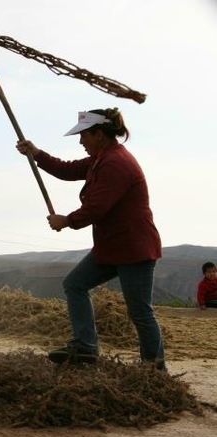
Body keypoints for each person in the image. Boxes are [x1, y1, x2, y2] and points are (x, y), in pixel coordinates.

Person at [16, 108, 166, 370]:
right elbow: (67, 169)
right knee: (75, 284)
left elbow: (97, 208)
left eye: (83, 135)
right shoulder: (100, 159)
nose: (80, 141)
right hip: (111, 247)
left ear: (99, 134)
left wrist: (66, 221)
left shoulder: (116, 163)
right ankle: (86, 347)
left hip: (134, 248)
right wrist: (36, 153)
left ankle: (155, 369)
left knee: (140, 312)